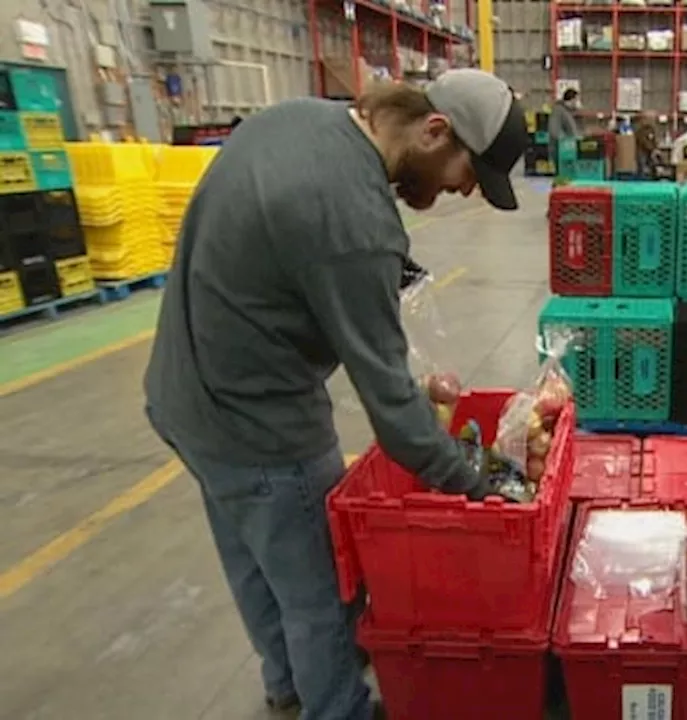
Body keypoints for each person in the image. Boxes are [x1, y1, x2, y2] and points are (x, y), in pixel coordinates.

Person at [143, 69, 530, 720]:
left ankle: (287, 683)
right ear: (435, 130)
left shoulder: (295, 119)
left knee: (255, 557)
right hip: (261, 424)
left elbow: (294, 275)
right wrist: (483, 485)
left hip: (182, 394)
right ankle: (336, 708)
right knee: (321, 591)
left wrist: (402, 381)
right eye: (466, 173)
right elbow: (399, 426)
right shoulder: (357, 220)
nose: (462, 190)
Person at [548, 87, 581, 177]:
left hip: (567, 151)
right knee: (561, 177)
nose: (577, 103)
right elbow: (554, 129)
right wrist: (565, 141)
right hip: (561, 151)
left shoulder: (567, 112)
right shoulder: (558, 111)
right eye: (576, 100)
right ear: (572, 99)